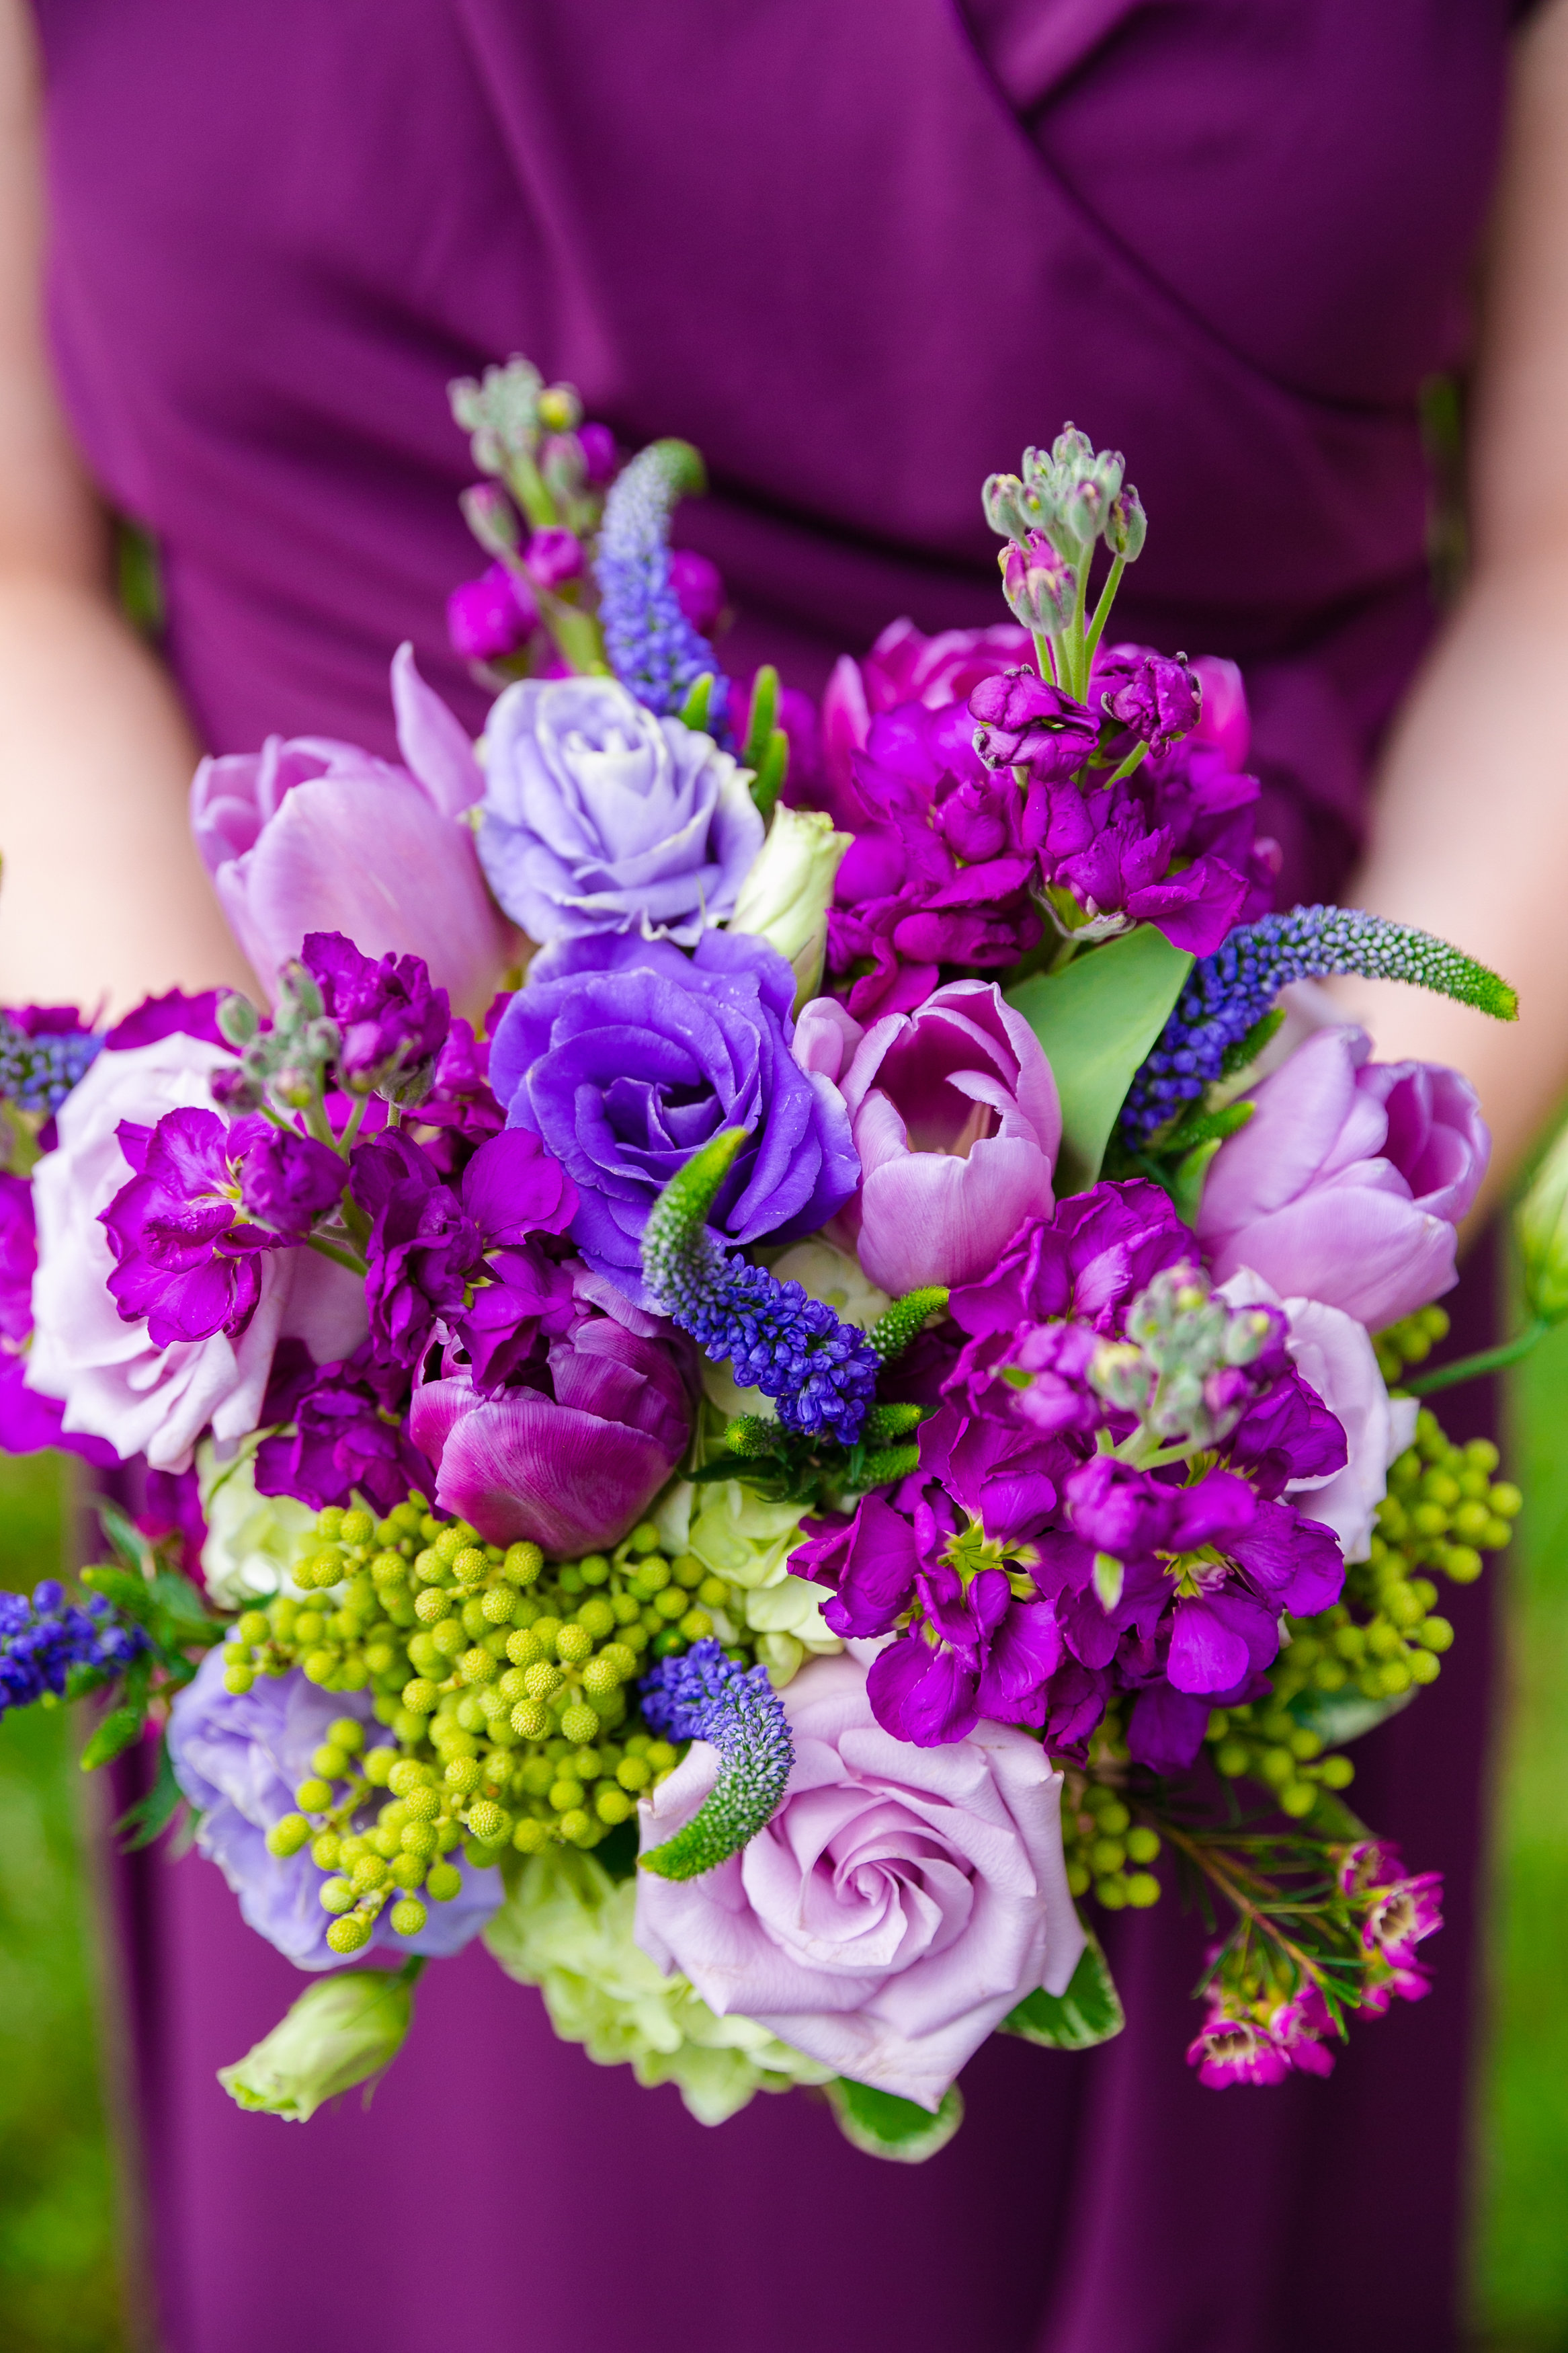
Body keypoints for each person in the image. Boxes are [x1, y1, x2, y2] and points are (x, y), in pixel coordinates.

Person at [0, 3, 1559, 2348]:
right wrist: (293, 1245)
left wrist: (1248, 1279)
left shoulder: (1200, 1365)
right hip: (346, 1375)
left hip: (1190, 1373)